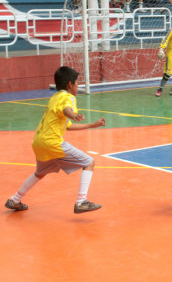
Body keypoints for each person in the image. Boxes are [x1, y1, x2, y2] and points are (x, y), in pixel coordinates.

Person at [5, 66, 106, 213]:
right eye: (77, 83)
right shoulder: (68, 97)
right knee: (89, 162)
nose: (78, 87)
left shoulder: (54, 98)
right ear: (70, 84)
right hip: (52, 142)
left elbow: (68, 127)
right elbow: (67, 109)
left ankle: (15, 199)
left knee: (39, 173)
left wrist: (93, 124)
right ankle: (81, 201)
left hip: (39, 141)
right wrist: (73, 114)